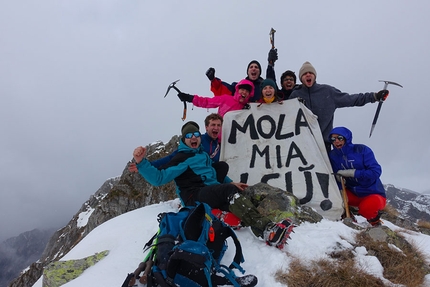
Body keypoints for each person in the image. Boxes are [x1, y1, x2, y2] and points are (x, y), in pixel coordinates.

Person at [129, 121, 293, 248]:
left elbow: (214, 176)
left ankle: (220, 214)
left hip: (209, 190)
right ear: (184, 140)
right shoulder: (181, 158)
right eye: (189, 136)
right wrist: (141, 162)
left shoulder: (202, 154)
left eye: (195, 134)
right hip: (194, 196)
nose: (193, 137)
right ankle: (267, 231)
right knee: (228, 192)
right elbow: (159, 178)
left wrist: (233, 183)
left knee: (224, 172)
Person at [289, 61, 390, 153]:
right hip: (301, 145)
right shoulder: (295, 95)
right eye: (304, 74)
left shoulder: (328, 92)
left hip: (324, 145)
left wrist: (374, 96)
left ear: (315, 76)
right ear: (301, 78)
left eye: (310, 73)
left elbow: (351, 99)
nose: (308, 75)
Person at [328, 126, 386, 226]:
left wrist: (353, 173)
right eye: (333, 139)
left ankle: (375, 223)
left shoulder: (362, 150)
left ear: (347, 138)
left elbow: (375, 172)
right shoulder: (333, 155)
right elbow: (334, 175)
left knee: (367, 209)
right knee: (333, 198)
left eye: (340, 138)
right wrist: (340, 186)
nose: (336, 141)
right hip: (352, 194)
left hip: (372, 193)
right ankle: (348, 216)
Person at [177, 79, 254, 117]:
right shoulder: (225, 99)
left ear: (249, 94)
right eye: (242, 89)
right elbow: (207, 102)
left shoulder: (250, 107)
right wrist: (190, 98)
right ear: (238, 90)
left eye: (247, 91)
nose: (244, 92)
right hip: (220, 137)